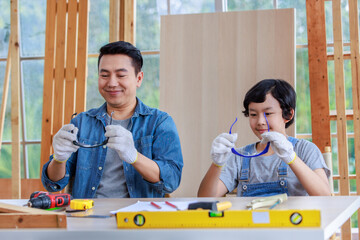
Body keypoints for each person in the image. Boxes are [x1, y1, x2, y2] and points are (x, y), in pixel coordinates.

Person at [42, 41, 183, 198]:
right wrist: (59, 158)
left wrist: (134, 156)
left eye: (121, 75)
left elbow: (172, 180)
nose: (112, 83)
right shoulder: (81, 123)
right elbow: (53, 184)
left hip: (138, 218)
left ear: (139, 78)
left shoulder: (159, 123)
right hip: (87, 216)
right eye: (104, 75)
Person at [198, 79, 331, 197]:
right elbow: (205, 198)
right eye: (253, 114)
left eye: (268, 113)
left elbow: (324, 196)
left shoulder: (305, 150)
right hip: (250, 225)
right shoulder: (240, 157)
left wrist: (292, 158)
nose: (260, 121)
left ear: (288, 114)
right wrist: (217, 164)